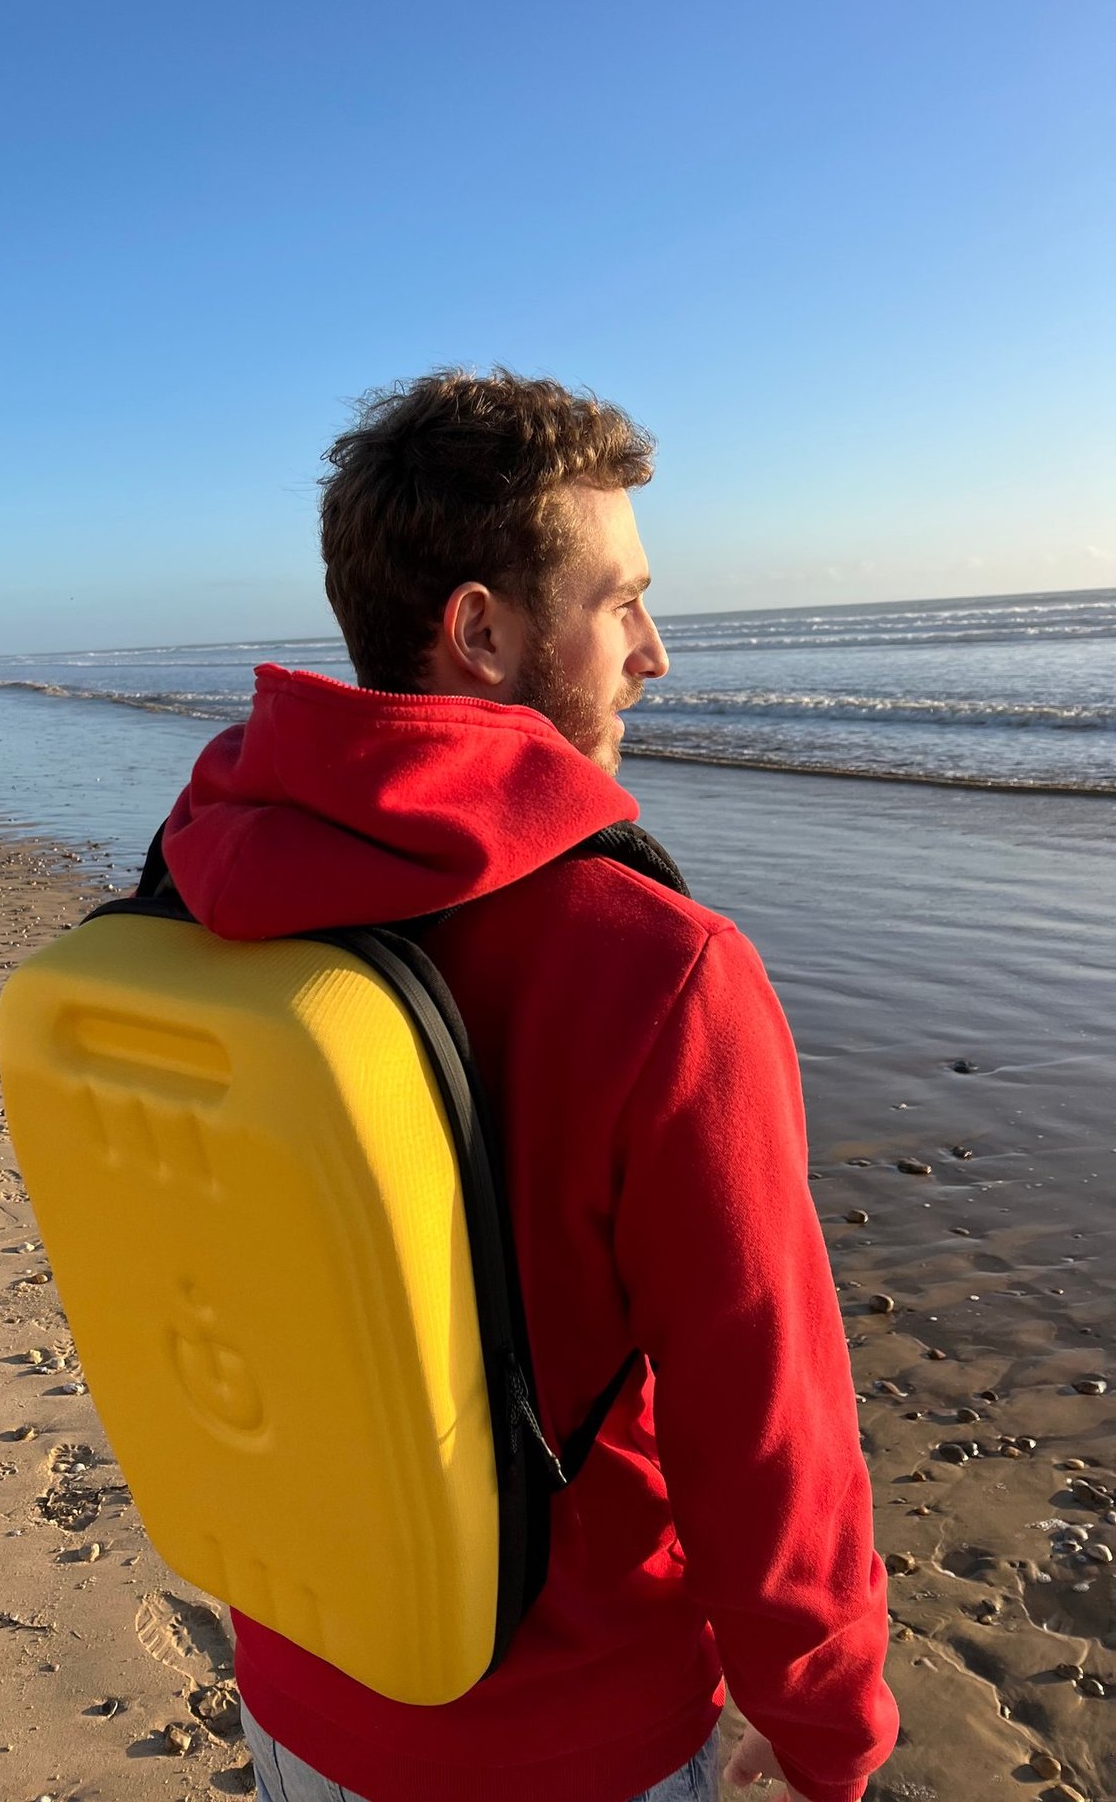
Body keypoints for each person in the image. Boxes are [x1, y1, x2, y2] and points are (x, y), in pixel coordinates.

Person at [157, 370, 899, 1802]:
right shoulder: (661, 974)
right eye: (621, 603)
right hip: (576, 1735)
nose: (656, 655)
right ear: (482, 632)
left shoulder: (207, 887)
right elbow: (768, 1432)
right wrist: (827, 1729)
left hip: (304, 1682)